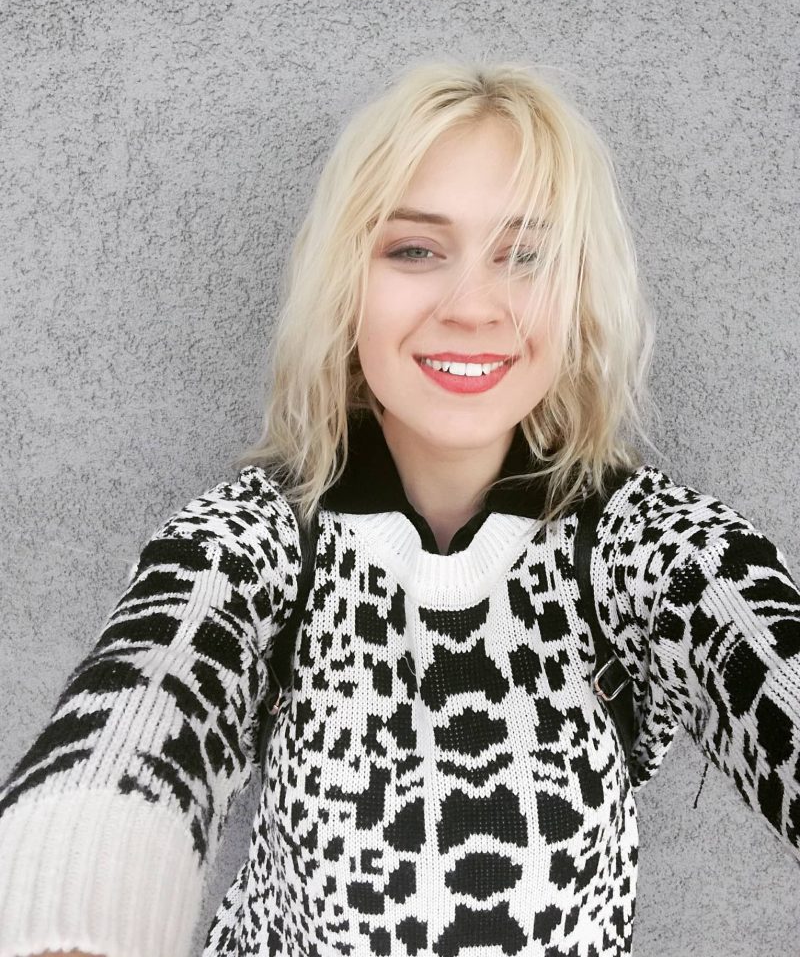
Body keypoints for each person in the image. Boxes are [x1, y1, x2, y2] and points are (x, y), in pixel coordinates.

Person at [0, 59, 797, 957]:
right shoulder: (257, 541)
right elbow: (136, 716)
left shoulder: (646, 545)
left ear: (578, 293)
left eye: (526, 255)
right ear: (347, 283)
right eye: (415, 250)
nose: (473, 307)